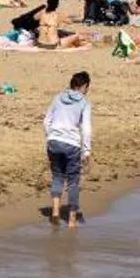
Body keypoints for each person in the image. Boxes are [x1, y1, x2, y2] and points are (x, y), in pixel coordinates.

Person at [45, 70, 93, 227]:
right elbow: (86, 129)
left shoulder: (58, 97)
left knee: (57, 176)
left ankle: (55, 211)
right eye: (87, 87)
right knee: (73, 181)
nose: (87, 91)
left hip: (54, 141)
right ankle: (72, 219)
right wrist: (87, 150)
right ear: (83, 86)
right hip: (72, 144)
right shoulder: (84, 103)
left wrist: (51, 136)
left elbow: (47, 121)